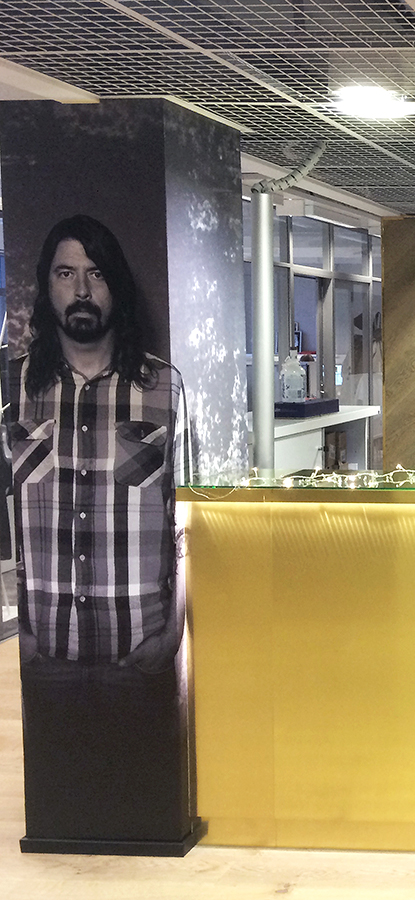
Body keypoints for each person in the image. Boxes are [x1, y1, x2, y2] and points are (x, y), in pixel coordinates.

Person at [6, 214, 193, 844]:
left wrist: (173, 632)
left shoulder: (163, 388)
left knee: (141, 818)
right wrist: (21, 635)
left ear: (116, 285)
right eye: (66, 274)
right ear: (46, 286)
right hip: (46, 651)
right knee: (63, 824)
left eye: (96, 274)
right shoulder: (12, 388)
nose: (82, 290)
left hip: (138, 649)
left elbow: (189, 522)